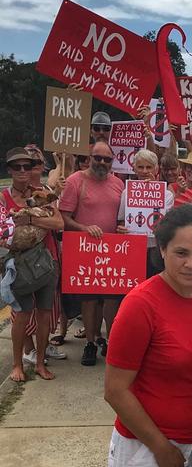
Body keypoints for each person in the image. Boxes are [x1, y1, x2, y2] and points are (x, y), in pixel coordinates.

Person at [105, 204, 192, 467]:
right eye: (181, 253)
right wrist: (160, 447)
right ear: (162, 250)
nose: (191, 264)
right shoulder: (139, 304)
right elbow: (115, 390)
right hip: (144, 449)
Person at [59, 141, 124, 366]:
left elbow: (122, 215)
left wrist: (123, 227)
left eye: (107, 159)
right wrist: (84, 228)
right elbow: (64, 217)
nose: (102, 163)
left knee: (111, 299)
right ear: (90, 157)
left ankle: (108, 339)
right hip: (85, 249)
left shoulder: (119, 184)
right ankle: (90, 343)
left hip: (113, 250)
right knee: (88, 299)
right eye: (98, 158)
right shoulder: (75, 181)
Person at [2, 147, 64, 382]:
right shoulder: (3, 198)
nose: (22, 171)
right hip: (19, 264)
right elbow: (3, 230)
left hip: (46, 261)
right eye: (16, 167)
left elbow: (58, 222)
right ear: (9, 170)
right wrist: (38, 220)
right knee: (21, 313)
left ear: (32, 169)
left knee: (45, 314)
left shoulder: (43, 191)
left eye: (27, 166)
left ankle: (39, 363)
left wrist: (27, 218)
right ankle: (17, 364)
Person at [117, 149, 175, 278]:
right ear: (134, 169)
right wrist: (121, 229)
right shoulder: (126, 193)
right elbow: (121, 220)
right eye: (140, 167)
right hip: (133, 248)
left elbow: (168, 224)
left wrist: (154, 191)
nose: (144, 171)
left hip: (156, 249)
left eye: (148, 167)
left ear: (156, 170)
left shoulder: (167, 195)